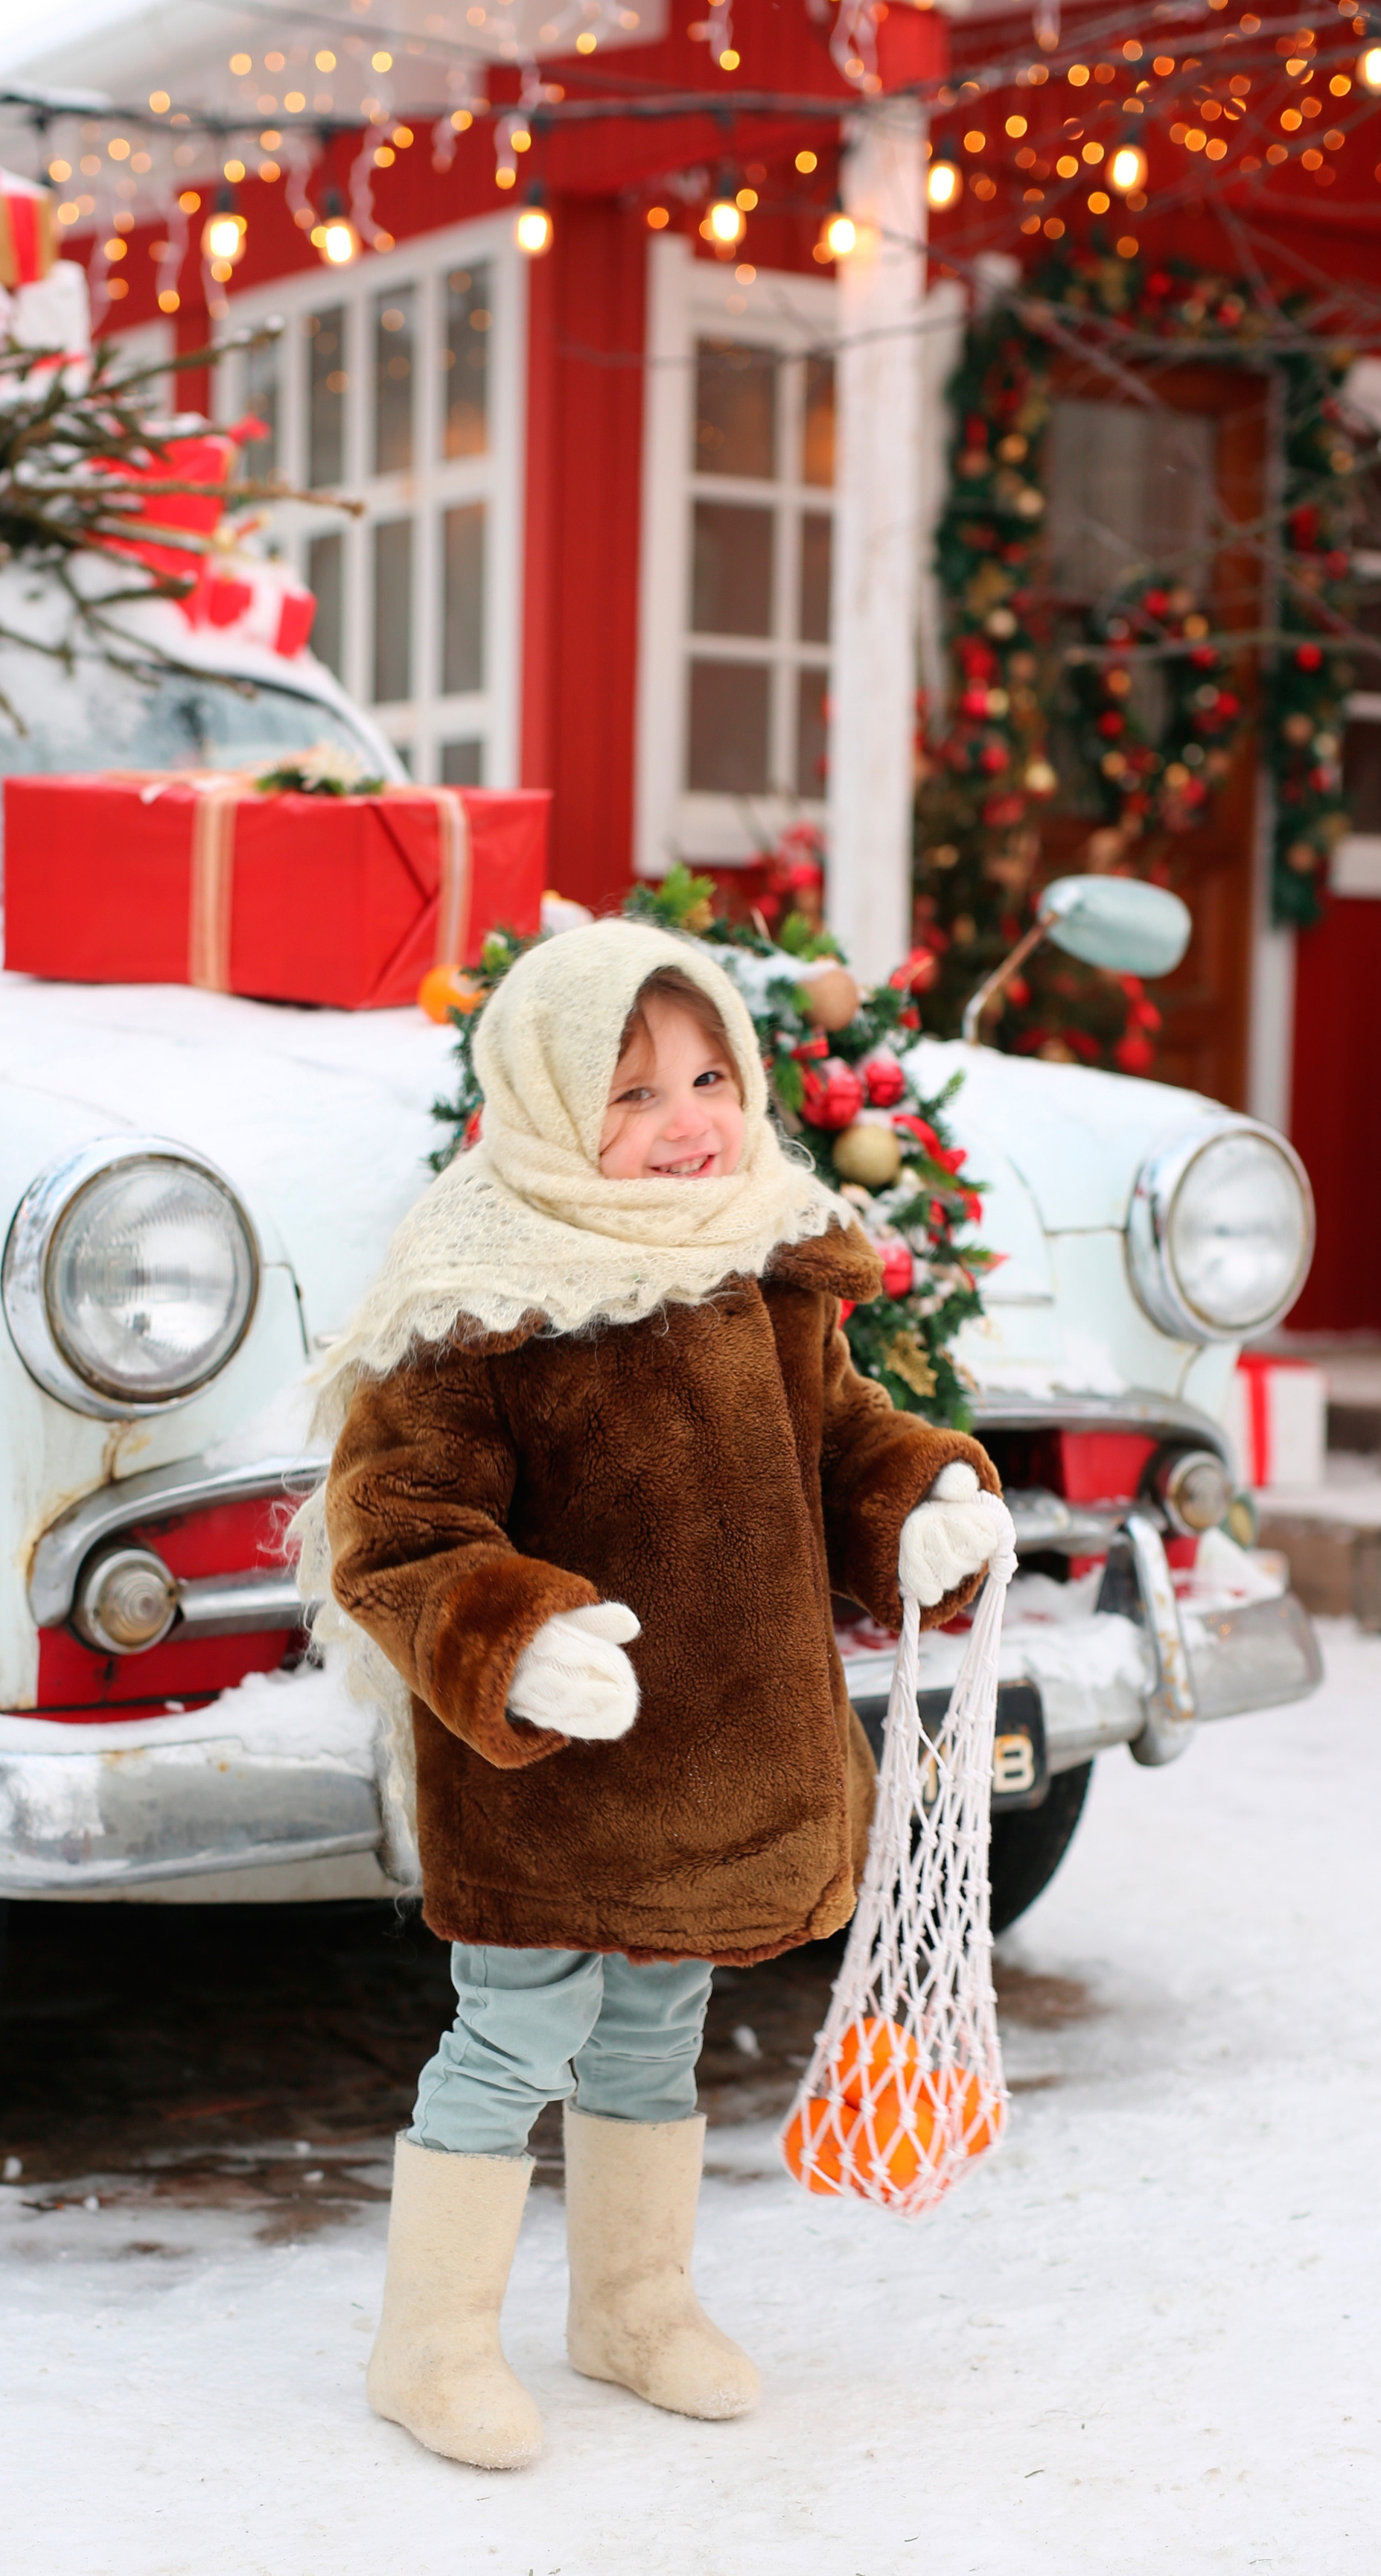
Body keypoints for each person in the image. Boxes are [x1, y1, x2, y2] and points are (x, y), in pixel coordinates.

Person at [293, 920, 1012, 2470]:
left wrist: (916, 1503)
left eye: (705, 1077)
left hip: (707, 1766)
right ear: (543, 1106)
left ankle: (630, 2305)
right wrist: (513, 1634)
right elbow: (397, 1532)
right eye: (628, 1095)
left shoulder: (762, 1268)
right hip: (550, 1780)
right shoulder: (479, 1297)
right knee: (512, 2042)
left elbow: (841, 1440)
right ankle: (425, 2343)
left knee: (652, 2034)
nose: (685, 1122)